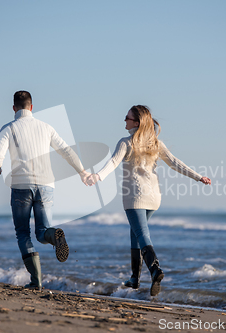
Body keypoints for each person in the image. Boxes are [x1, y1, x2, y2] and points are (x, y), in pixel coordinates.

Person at [86, 105, 211, 296]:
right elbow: (175, 163)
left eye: (127, 118)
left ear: (136, 122)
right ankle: (134, 279)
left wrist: (97, 176)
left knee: (142, 234)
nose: (124, 121)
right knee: (136, 233)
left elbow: (112, 163)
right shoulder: (155, 143)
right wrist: (198, 177)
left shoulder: (126, 142)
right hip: (154, 198)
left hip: (134, 197)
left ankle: (155, 269)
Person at [0, 91, 90, 290]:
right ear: (32, 107)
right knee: (42, 231)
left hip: (21, 186)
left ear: (14, 108)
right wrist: (82, 172)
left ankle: (36, 281)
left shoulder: (8, 128)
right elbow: (66, 151)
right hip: (46, 185)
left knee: (23, 233)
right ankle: (55, 236)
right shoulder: (46, 127)